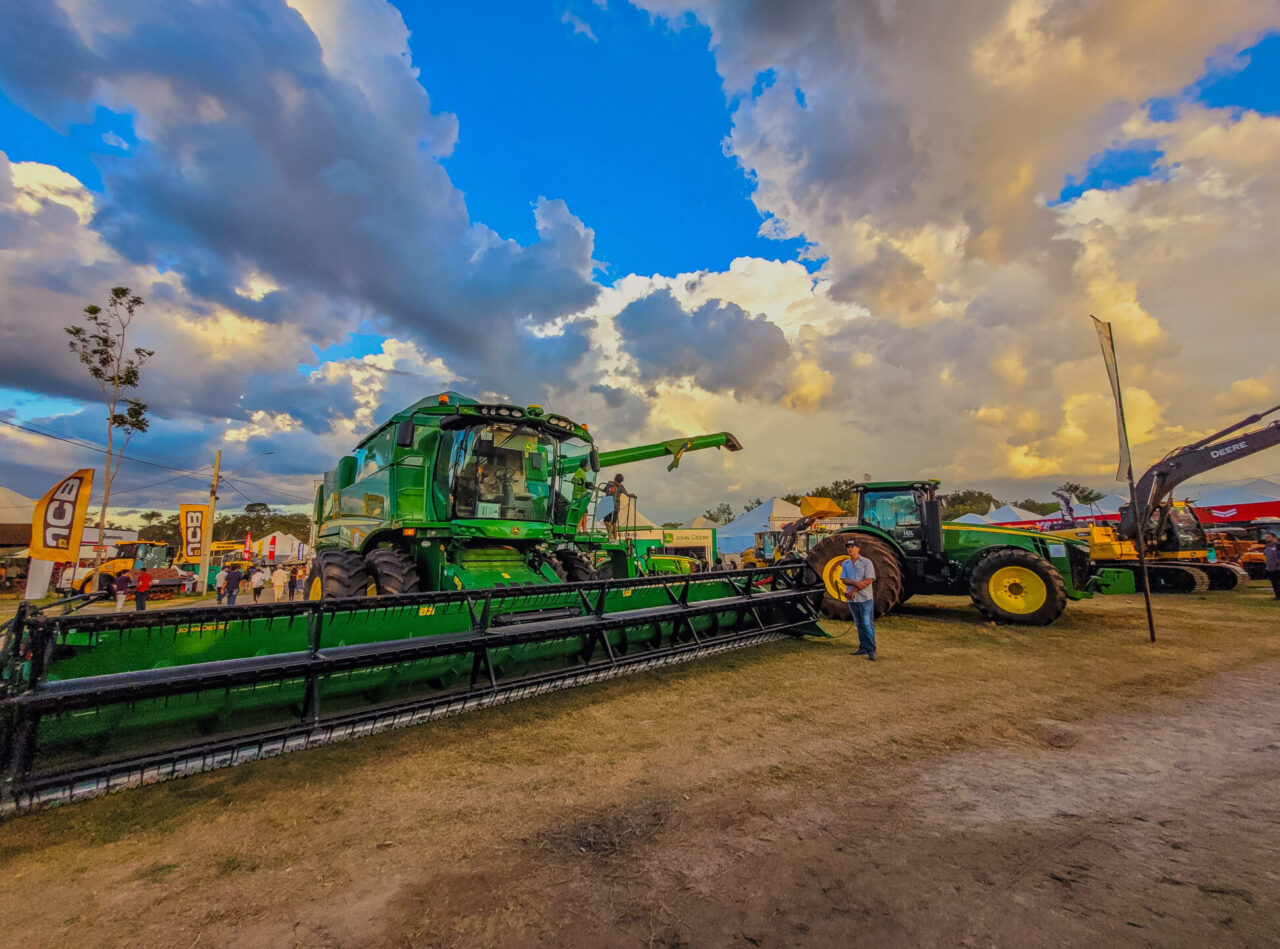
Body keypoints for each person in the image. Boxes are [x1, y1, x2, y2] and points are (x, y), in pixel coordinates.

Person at [840, 538, 877, 661]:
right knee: (859, 624)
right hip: (852, 600)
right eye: (848, 547)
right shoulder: (845, 563)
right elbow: (843, 579)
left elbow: (869, 579)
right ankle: (863, 647)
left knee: (867, 624)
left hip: (865, 598)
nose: (850, 549)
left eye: (852, 547)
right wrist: (856, 584)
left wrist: (853, 590)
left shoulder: (866, 562)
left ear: (858, 549)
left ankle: (871, 650)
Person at [1264, 532, 1280, 600]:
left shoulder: (1278, 546)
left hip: (1278, 568)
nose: (1266, 539)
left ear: (1274, 538)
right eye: (1266, 537)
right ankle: (1278, 596)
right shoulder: (1267, 547)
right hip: (1271, 568)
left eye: (1268, 537)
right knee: (1275, 583)